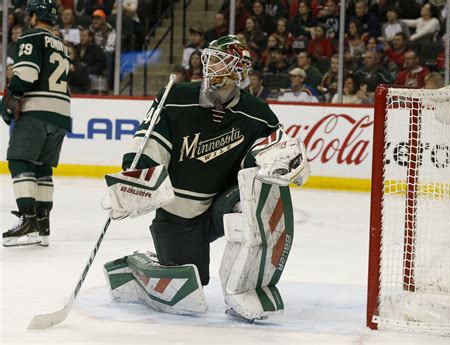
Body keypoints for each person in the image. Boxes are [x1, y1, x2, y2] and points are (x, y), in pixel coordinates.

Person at [103, 35, 310, 321]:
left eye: (219, 60)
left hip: (219, 205)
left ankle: (244, 289)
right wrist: (136, 178)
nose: (209, 66)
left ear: (238, 70)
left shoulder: (257, 113)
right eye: (208, 59)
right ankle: (139, 266)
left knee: (251, 202)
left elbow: (274, 150)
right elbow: (149, 144)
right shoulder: (176, 97)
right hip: (177, 211)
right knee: (189, 287)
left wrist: (287, 159)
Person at [1, 0, 71, 247]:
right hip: (61, 112)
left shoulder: (31, 36)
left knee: (20, 160)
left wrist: (11, 98)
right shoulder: (62, 45)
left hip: (37, 110)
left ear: (32, 16)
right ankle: (43, 224)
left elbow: (27, 73)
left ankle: (27, 218)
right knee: (43, 167)